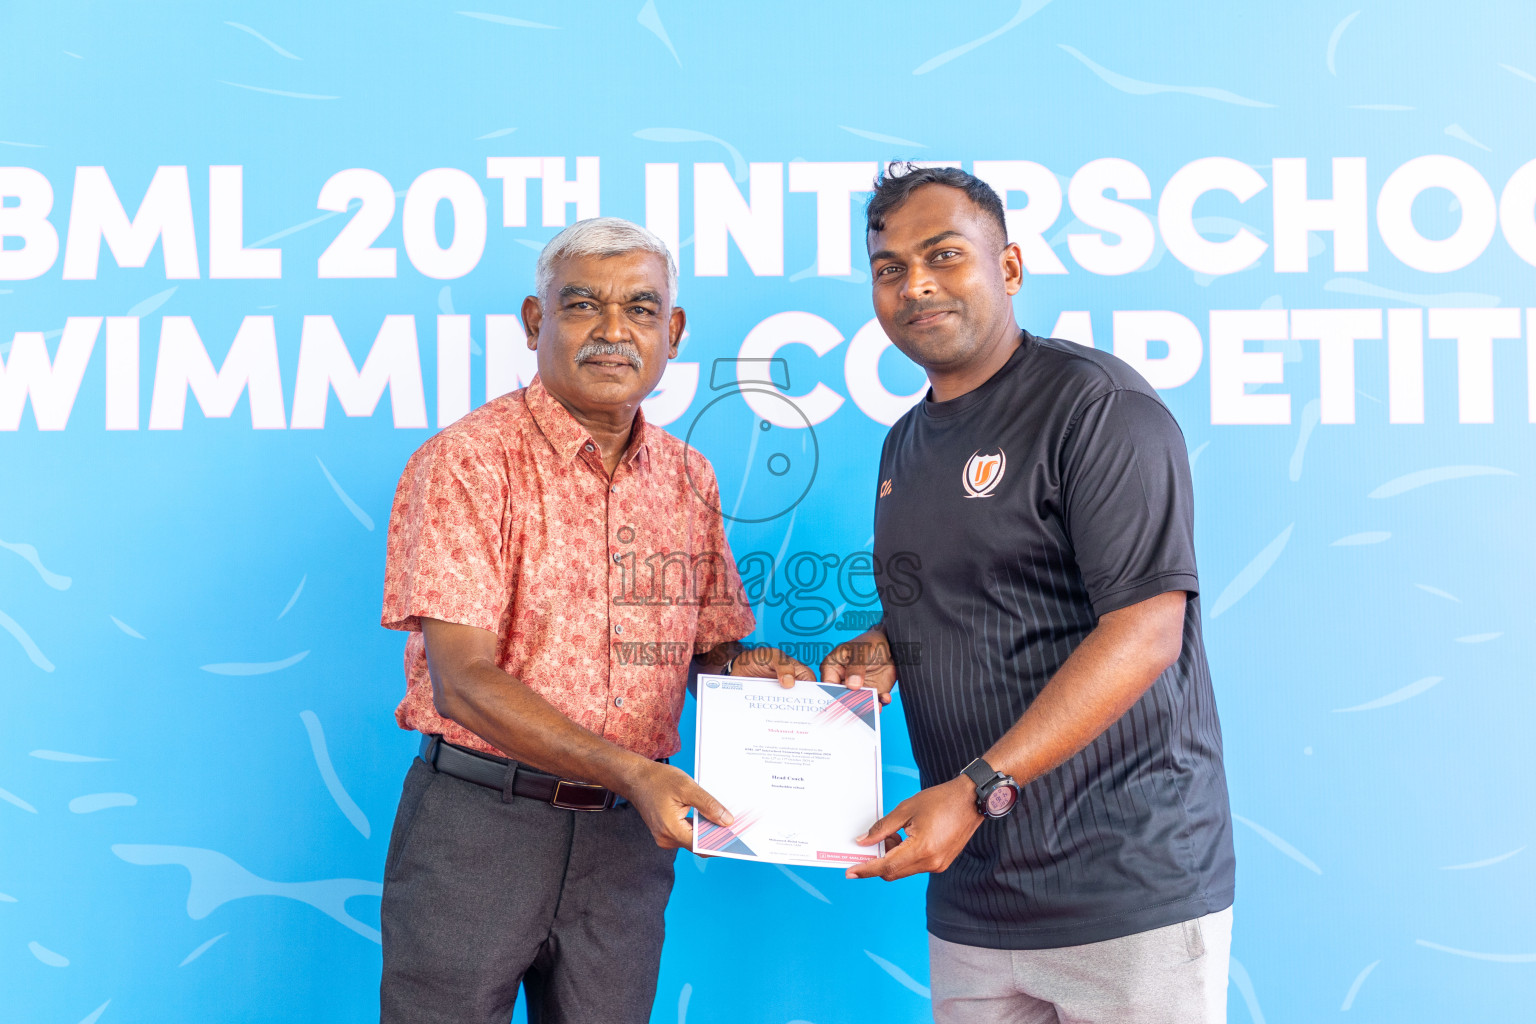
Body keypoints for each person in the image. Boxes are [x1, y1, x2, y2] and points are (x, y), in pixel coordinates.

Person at [823, 166, 1236, 1023]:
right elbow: (972, 591)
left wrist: (975, 788)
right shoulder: (905, 443)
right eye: (889, 267)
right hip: (975, 895)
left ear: (1008, 268)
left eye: (943, 255)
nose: (915, 284)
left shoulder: (1099, 407)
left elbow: (1147, 630)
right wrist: (886, 644)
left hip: (1125, 891)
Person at [377, 217, 812, 1024]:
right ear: (537, 322)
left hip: (624, 845)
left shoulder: (689, 478)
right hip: (480, 828)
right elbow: (463, 683)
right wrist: (633, 773)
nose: (615, 331)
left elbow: (710, 651)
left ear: (672, 333)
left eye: (641, 309)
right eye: (584, 306)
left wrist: (759, 676)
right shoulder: (468, 462)